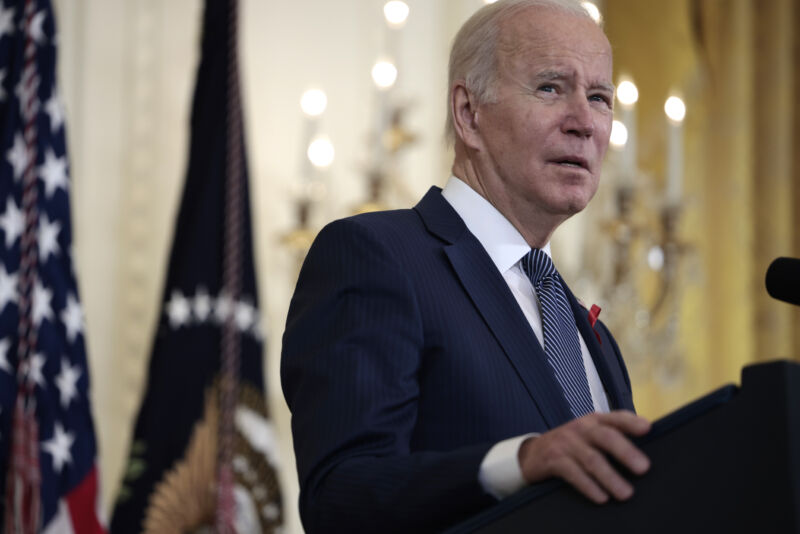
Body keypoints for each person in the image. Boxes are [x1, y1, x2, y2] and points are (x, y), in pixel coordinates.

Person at [281, 0, 651, 531]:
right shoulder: (377, 257)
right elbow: (342, 495)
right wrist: (519, 462)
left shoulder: (592, 336)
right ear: (468, 113)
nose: (584, 123)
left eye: (599, 97)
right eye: (550, 87)